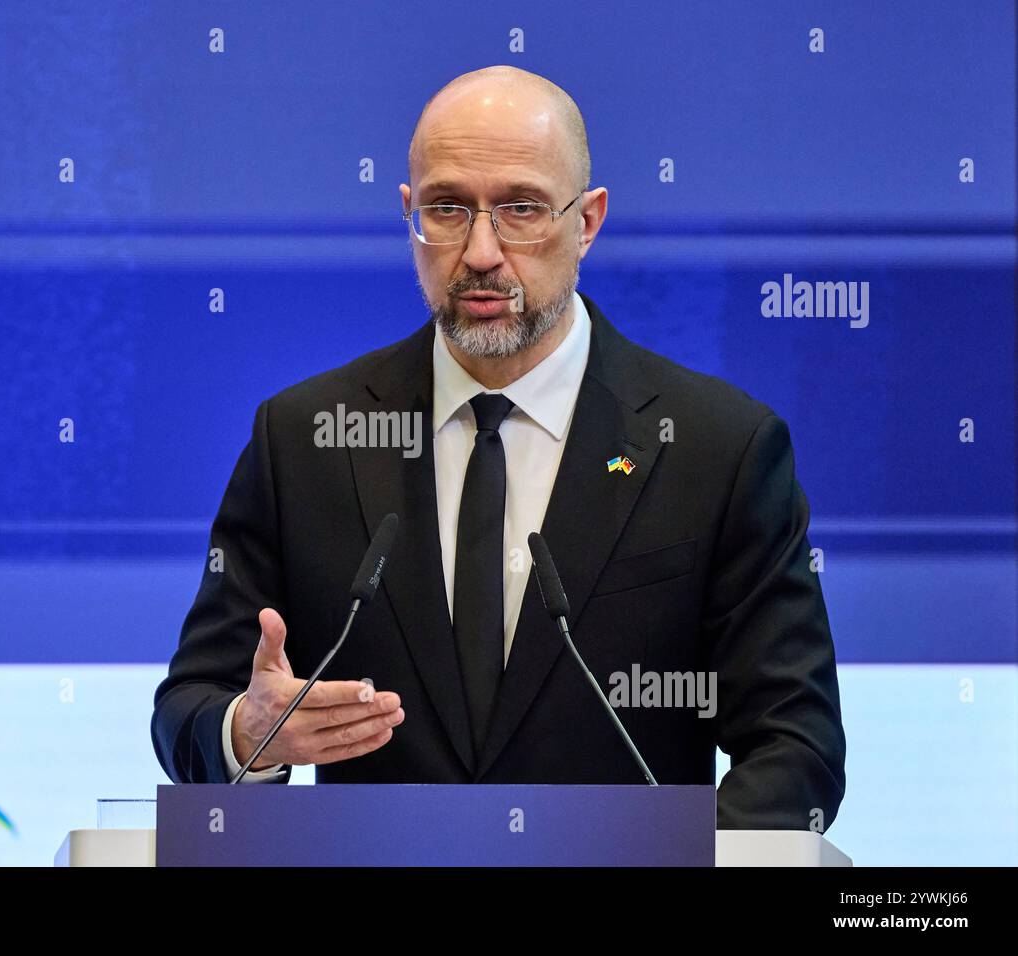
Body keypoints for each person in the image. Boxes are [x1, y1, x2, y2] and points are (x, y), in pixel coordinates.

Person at [151, 65, 846, 829]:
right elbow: (189, 709)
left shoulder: (721, 448)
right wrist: (248, 734)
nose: (481, 252)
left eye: (521, 209)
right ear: (409, 214)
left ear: (588, 220)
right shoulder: (307, 437)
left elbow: (797, 750)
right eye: (448, 209)